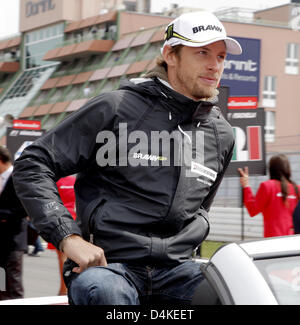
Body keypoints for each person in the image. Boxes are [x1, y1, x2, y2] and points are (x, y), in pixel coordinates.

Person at [13, 11, 242, 305]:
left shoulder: (221, 133)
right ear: (170, 55)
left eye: (221, 56)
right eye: (203, 53)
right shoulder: (116, 109)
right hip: (110, 267)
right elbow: (33, 164)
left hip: (180, 272)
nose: (215, 65)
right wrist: (68, 239)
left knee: (240, 290)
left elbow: (200, 210)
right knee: (108, 293)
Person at [238, 154, 300, 237]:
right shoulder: (297, 188)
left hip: (272, 239)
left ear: (271, 169)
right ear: (287, 169)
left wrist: (246, 185)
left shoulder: (267, 186)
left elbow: (252, 210)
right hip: (293, 239)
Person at [0, 146, 27, 300]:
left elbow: (22, 210)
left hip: (13, 240)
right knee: (1, 284)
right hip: (1, 241)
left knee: (14, 285)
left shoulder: (19, 178)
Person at [47, 175, 76, 295]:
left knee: (62, 258)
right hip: (74, 219)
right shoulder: (74, 180)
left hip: (59, 220)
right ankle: (67, 288)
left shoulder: (54, 181)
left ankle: (64, 289)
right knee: (73, 258)